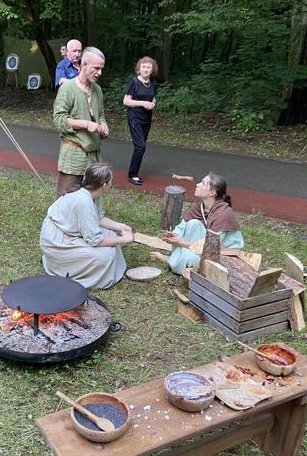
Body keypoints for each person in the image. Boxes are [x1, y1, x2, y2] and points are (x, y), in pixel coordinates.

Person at [40, 164, 133, 289]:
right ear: (104, 185)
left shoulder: (93, 194)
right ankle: (66, 270)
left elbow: (99, 218)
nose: (112, 184)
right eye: (111, 181)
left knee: (111, 234)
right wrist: (122, 240)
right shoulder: (84, 202)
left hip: (69, 233)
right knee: (106, 255)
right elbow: (95, 240)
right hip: (57, 241)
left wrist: (121, 227)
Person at [151, 173, 244, 274]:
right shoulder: (200, 207)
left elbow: (212, 248)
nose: (197, 185)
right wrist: (175, 235)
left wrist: (180, 243)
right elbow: (182, 227)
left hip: (223, 254)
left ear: (212, 192)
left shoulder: (224, 213)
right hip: (203, 247)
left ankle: (172, 261)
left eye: (203, 183)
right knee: (193, 224)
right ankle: (177, 261)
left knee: (194, 261)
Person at [53, 46, 109, 195]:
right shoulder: (68, 89)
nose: (100, 73)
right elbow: (58, 120)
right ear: (84, 65)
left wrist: (103, 125)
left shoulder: (97, 90)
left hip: (94, 157)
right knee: (67, 200)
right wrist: (85, 124)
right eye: (96, 68)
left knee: (91, 200)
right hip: (74, 155)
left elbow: (100, 114)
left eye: (101, 68)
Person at [123, 56, 158, 186]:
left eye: (148, 67)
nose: (145, 69)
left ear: (152, 69)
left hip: (146, 120)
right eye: (143, 66)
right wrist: (143, 103)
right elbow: (126, 101)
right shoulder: (134, 82)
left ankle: (134, 172)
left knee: (140, 147)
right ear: (139, 68)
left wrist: (152, 103)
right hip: (134, 118)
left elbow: (153, 98)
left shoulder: (153, 83)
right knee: (140, 146)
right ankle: (132, 175)